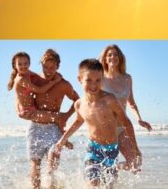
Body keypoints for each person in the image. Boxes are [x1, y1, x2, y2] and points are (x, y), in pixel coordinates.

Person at [54, 59, 141, 188]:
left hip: (112, 149)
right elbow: (78, 121)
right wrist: (62, 139)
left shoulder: (110, 100)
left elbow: (126, 123)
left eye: (98, 80)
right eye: (88, 80)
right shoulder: (79, 104)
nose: (93, 85)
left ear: (102, 80)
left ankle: (118, 167)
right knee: (93, 185)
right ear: (80, 79)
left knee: (108, 186)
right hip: (93, 149)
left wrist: (135, 149)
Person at [24, 49, 80, 189]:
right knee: (35, 163)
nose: (48, 71)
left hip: (54, 128)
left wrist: (66, 116)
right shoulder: (35, 80)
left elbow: (78, 101)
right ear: (41, 64)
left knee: (52, 161)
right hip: (35, 127)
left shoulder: (63, 84)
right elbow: (21, 93)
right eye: (45, 67)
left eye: (52, 67)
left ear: (58, 66)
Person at [99, 44, 152, 171]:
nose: (113, 57)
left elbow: (131, 102)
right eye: (109, 55)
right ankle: (107, 170)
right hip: (103, 129)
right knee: (101, 171)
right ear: (105, 59)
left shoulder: (127, 78)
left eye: (116, 54)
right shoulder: (100, 78)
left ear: (120, 58)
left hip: (121, 129)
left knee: (135, 163)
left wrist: (139, 119)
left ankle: (113, 168)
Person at [7, 51, 64, 125]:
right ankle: (63, 133)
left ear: (29, 63)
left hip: (34, 108)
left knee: (55, 116)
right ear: (15, 65)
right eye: (20, 64)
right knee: (59, 117)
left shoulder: (27, 72)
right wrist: (55, 81)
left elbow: (39, 76)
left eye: (25, 63)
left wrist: (53, 73)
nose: (23, 66)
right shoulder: (21, 79)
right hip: (28, 112)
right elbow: (40, 90)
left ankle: (61, 131)